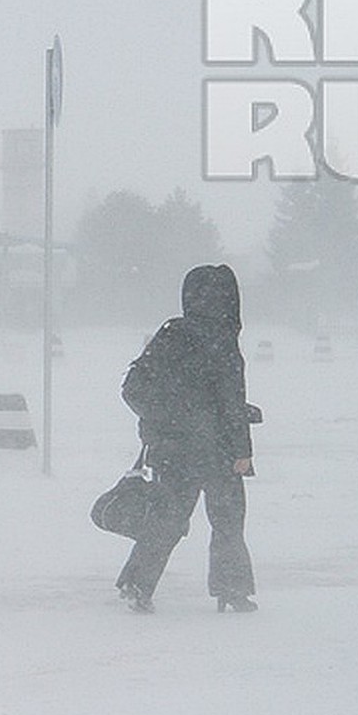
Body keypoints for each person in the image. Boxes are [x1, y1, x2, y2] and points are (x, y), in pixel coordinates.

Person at [116, 263, 261, 614]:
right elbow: (229, 402)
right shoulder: (223, 341)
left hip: (173, 449)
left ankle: (137, 583)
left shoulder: (172, 333)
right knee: (227, 521)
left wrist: (168, 422)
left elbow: (136, 386)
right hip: (218, 451)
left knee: (168, 518)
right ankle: (232, 590)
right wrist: (243, 451)